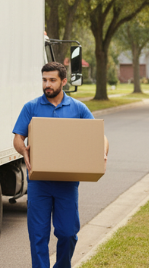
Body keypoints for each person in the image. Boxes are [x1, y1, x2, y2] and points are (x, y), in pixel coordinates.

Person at [12, 62, 109, 268]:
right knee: (38, 236)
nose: (47, 84)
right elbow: (18, 138)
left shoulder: (77, 108)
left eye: (52, 80)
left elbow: (99, 136)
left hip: (67, 182)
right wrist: (24, 150)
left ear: (63, 81)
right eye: (44, 80)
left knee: (68, 233)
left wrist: (102, 152)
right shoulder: (31, 107)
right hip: (39, 183)